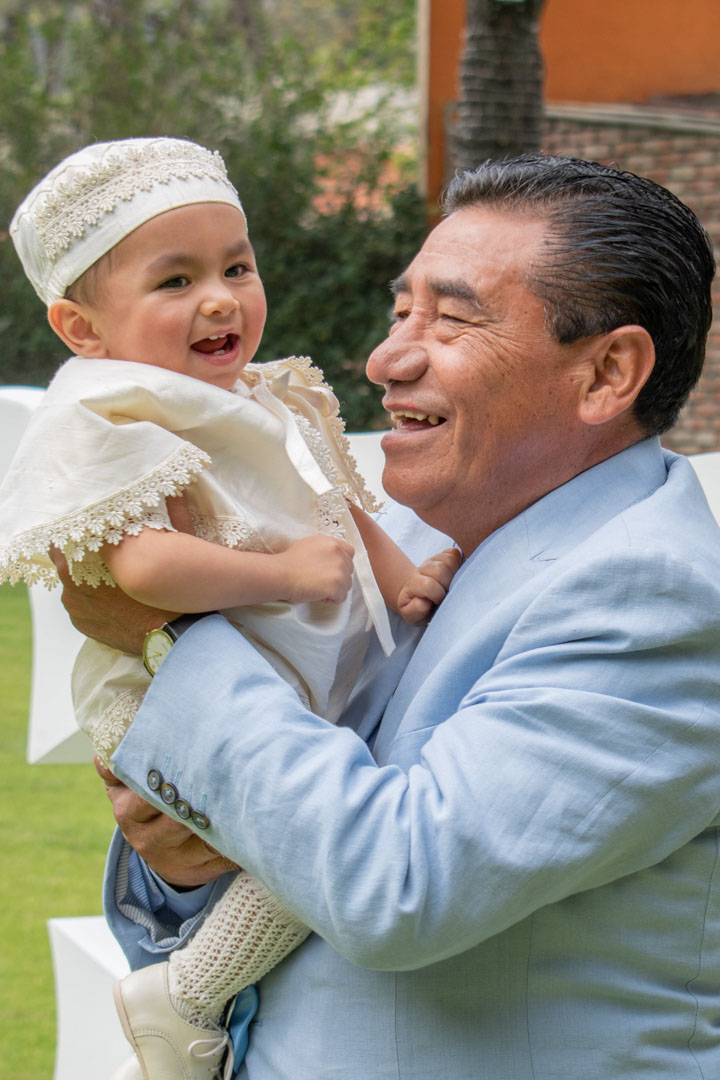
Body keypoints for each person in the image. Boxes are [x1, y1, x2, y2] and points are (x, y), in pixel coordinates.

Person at [64, 153, 720, 1080]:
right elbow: (262, 818)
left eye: (452, 319)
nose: (386, 359)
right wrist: (179, 863)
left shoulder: (660, 597)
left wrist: (167, 638)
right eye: (400, 310)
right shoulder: (397, 538)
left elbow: (398, 887)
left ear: (608, 372)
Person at [1, 137, 459, 1080]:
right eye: (176, 281)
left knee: (318, 832)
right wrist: (282, 576)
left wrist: (398, 578)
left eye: (236, 268)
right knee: (303, 859)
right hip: (159, 693)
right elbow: (141, 567)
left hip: (280, 673)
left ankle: (204, 1006)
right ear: (82, 328)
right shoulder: (112, 413)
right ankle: (184, 997)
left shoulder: (259, 395)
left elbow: (335, 500)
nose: (221, 299)